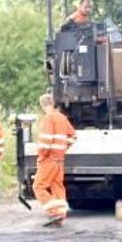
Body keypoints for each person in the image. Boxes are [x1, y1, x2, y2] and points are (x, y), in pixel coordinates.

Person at [33, 93, 76, 227]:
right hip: (59, 158)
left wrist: (42, 155)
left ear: (43, 105)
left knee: (38, 186)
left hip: (49, 159)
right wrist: (62, 148)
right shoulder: (62, 118)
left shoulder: (48, 118)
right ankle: (60, 214)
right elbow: (73, 136)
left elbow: (46, 141)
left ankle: (53, 212)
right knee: (57, 186)